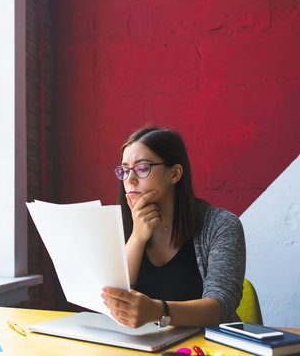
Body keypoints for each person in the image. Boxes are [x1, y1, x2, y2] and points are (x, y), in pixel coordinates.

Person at [101, 127, 246, 329]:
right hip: (141, 347)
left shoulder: (221, 226)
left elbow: (221, 306)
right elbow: (109, 299)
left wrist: (158, 311)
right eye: (124, 170)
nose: (130, 180)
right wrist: (137, 237)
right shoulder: (119, 227)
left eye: (142, 168)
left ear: (175, 174)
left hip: (206, 347)